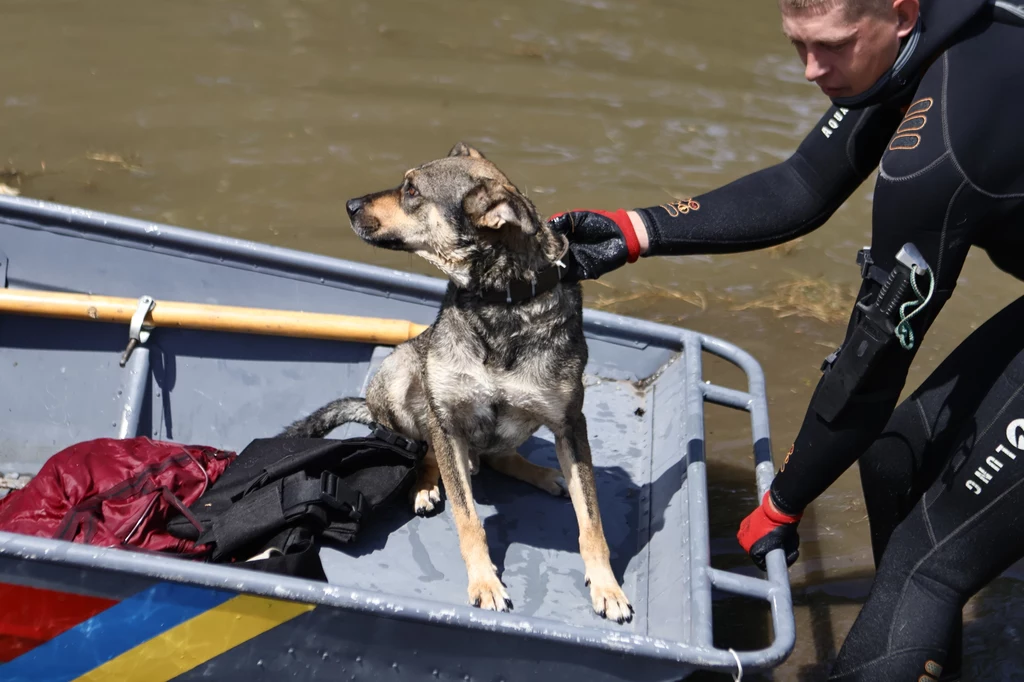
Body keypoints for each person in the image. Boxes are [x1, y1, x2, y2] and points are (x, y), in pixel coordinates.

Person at [547, 0, 1024, 679]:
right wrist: (637, 229)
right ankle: (926, 658)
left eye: (830, 46)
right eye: (798, 45)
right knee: (895, 457)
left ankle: (906, 632)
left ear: (902, 13)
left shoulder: (936, 155)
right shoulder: (926, 39)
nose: (810, 70)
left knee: (928, 562)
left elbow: (872, 366)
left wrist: (785, 499)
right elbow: (804, 181)